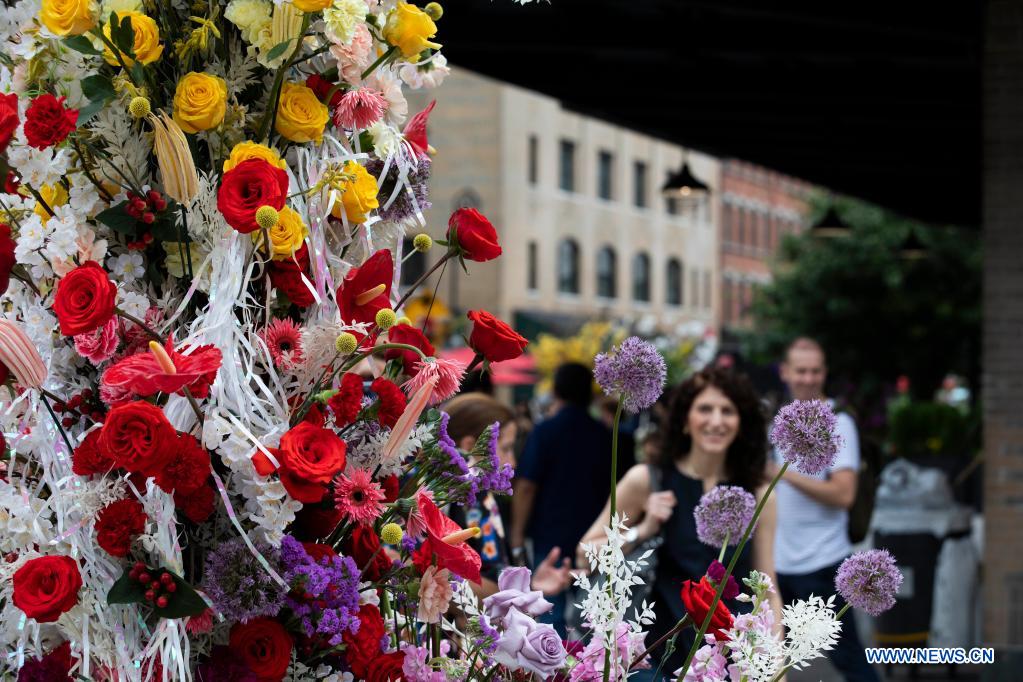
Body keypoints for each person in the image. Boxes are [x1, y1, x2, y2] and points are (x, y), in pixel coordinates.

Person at [578, 368, 783, 679]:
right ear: (685, 420)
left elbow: (768, 587)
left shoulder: (759, 495)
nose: (716, 420)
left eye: (727, 411)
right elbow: (585, 553)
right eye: (705, 409)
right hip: (655, 657)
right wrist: (642, 529)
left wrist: (775, 663)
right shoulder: (647, 480)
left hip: (730, 662)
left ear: (741, 423)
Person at [771, 337, 879, 682]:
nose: (808, 378)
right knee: (766, 661)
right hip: (776, 565)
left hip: (822, 562)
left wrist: (780, 474)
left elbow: (844, 494)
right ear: (785, 372)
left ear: (824, 373)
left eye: (815, 371)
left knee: (849, 661)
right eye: (801, 370)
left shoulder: (838, 423)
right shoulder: (779, 420)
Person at [510, 362, 616, 636]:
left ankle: (551, 672)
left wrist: (517, 535)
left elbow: (526, 487)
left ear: (556, 390)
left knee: (549, 612)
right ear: (590, 395)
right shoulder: (604, 436)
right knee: (591, 618)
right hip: (594, 537)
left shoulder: (545, 431)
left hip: (551, 535)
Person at [442, 393, 573, 600]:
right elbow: (483, 587)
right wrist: (521, 593)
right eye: (506, 448)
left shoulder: (461, 492)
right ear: (468, 446)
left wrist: (529, 588)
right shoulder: (470, 495)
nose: (512, 462)